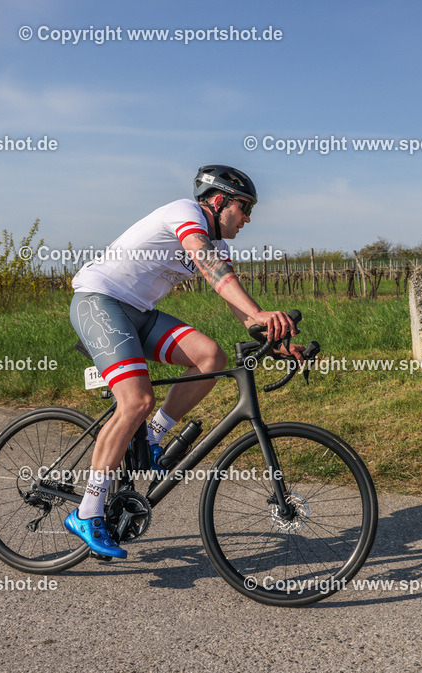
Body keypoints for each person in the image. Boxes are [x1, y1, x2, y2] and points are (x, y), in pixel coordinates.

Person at [65, 165, 305, 558]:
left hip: (137, 314)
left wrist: (275, 339)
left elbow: (243, 313)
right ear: (217, 200)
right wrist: (260, 315)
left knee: (211, 356)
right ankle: (87, 512)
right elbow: (210, 266)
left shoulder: (219, 246)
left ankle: (153, 437)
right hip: (99, 301)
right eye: (244, 208)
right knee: (136, 401)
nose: (248, 219)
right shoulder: (185, 213)